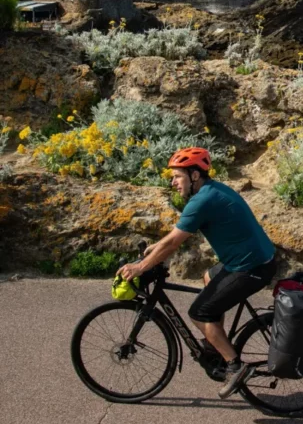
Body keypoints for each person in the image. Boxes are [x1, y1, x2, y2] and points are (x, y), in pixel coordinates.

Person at [117, 147, 277, 399]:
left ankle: (236, 366)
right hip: (250, 260)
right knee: (208, 278)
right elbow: (172, 236)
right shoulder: (211, 190)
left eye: (177, 176)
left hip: (251, 267)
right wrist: (153, 250)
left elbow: (174, 243)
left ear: (194, 175)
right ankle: (216, 343)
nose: (173, 182)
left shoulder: (203, 200)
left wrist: (141, 267)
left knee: (199, 312)